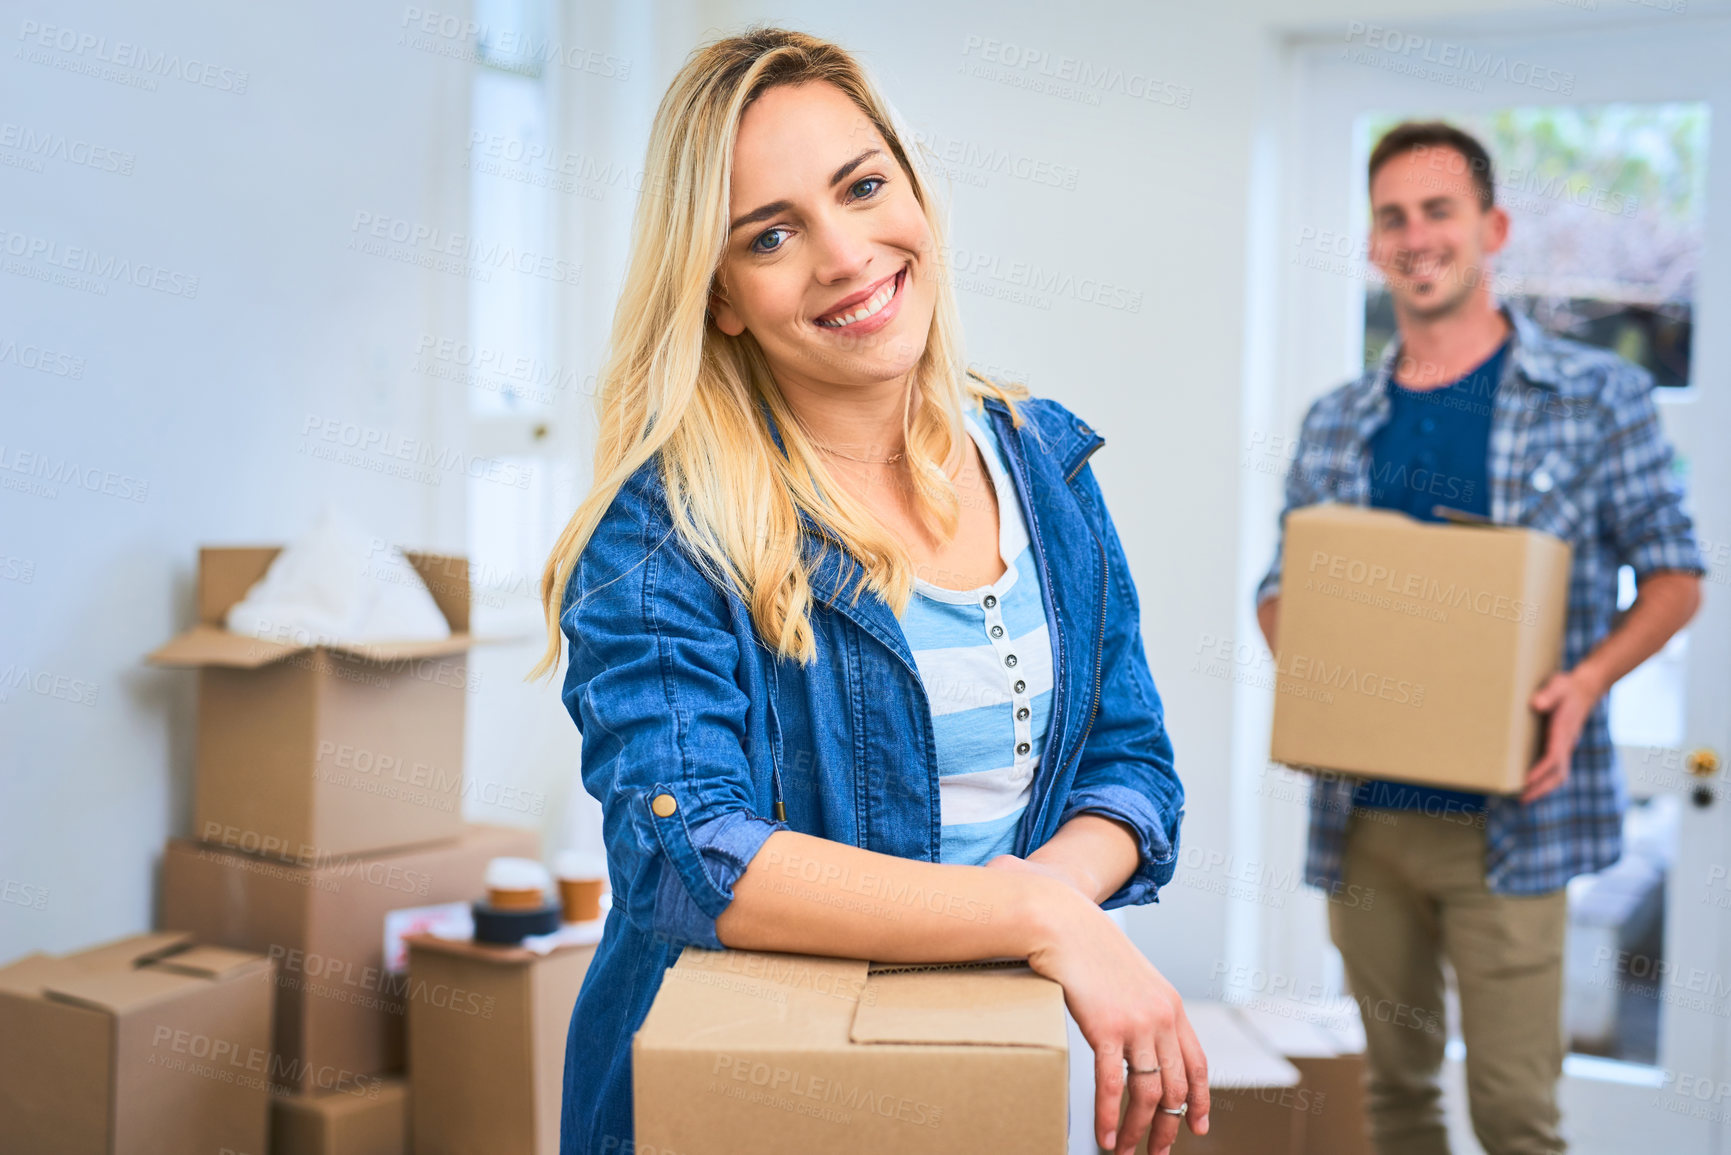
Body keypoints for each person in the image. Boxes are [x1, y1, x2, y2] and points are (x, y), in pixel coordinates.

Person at [532, 28, 1208, 1155]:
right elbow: (691, 852)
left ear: (916, 191)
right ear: (722, 297)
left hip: (973, 1053)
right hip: (742, 1087)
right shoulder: (660, 533)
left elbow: (1130, 769)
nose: (845, 255)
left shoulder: (1043, 465)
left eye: (862, 187)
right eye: (773, 234)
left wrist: (1042, 918)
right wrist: (1036, 915)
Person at [1255, 121, 1705, 1155]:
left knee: (1515, 1115)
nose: (1417, 238)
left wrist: (1585, 683)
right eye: (1393, 218)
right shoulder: (1337, 420)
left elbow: (1676, 578)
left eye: (1438, 211)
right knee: (1397, 1104)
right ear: (1373, 244)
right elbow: (1283, 592)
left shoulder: (1598, 397)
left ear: (1493, 227)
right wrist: (1329, 680)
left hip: (1517, 826)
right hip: (1365, 823)